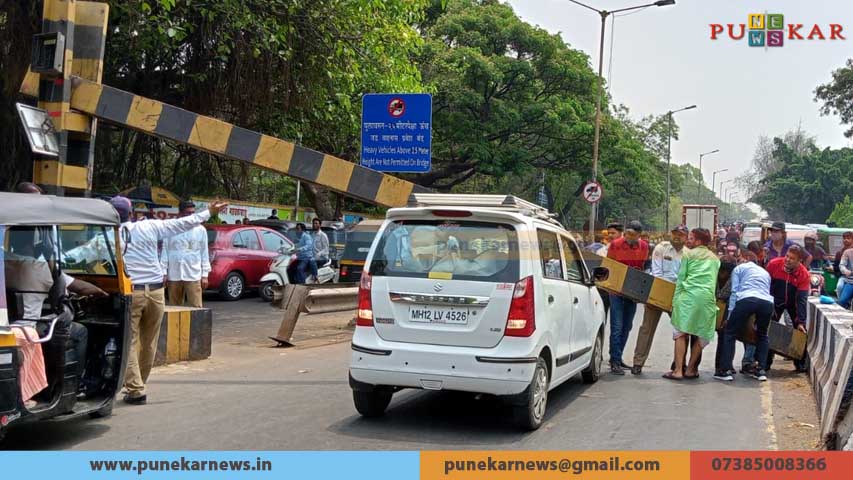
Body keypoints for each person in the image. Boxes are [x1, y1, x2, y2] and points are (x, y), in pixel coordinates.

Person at [109, 196, 227, 405]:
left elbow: (82, 254)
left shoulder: (110, 236)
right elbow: (181, 224)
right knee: (149, 342)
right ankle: (138, 385)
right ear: (132, 213)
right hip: (156, 293)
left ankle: (136, 389)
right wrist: (208, 211)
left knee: (129, 341)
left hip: (132, 294)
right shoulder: (149, 227)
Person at [4, 227, 109, 397]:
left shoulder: (3, 262)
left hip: (7, 325)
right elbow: (79, 287)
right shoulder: (38, 267)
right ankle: (74, 386)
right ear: (36, 243)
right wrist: (103, 293)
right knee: (80, 331)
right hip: (28, 327)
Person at [631, 224, 688, 375]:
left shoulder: (688, 254)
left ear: (686, 237)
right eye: (675, 233)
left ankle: (679, 364)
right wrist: (660, 293)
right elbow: (656, 272)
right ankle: (638, 363)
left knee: (682, 330)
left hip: (677, 295)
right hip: (658, 289)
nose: (677, 236)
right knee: (646, 328)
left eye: (681, 234)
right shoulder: (661, 248)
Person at [664, 228, 720, 381]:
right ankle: (690, 370)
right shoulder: (715, 259)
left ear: (698, 241)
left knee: (680, 334)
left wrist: (675, 302)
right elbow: (713, 282)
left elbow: (681, 279)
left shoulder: (688, 254)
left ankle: (677, 371)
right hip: (707, 299)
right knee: (701, 335)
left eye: (691, 238)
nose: (688, 240)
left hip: (688, 298)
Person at [715, 251, 775, 382]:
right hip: (767, 303)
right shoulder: (765, 272)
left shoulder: (739, 268)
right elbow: (765, 291)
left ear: (747, 259)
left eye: (740, 258)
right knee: (762, 335)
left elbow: (734, 292)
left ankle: (725, 370)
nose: (738, 260)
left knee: (729, 333)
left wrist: (730, 316)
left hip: (747, 299)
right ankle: (760, 370)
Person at [606, 220, 649, 375]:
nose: (629, 236)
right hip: (616, 290)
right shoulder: (616, 244)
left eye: (633, 234)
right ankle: (615, 361)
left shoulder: (644, 246)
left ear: (639, 235)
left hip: (632, 291)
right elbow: (609, 265)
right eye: (628, 233)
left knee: (627, 326)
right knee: (616, 327)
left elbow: (643, 268)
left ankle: (618, 357)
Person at [764, 245, 810, 372]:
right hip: (774, 300)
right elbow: (765, 285)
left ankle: (800, 362)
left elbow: (801, 300)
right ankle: (765, 361)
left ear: (799, 261)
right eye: (787, 256)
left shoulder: (803, 274)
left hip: (792, 302)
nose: (788, 260)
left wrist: (801, 322)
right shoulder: (774, 264)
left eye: (792, 258)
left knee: (800, 330)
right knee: (768, 328)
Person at [160, 200, 211, 308]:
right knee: (174, 307)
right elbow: (165, 250)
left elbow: (204, 252)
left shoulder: (200, 230)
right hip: (174, 273)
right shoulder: (171, 228)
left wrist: (205, 275)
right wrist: (163, 272)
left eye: (193, 213)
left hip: (193, 274)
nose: (191, 216)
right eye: (188, 213)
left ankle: (197, 325)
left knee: (196, 307)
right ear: (180, 213)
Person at [712, 256, 737, 377]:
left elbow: (732, 295)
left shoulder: (734, 278)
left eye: (725, 271)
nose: (723, 274)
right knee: (725, 337)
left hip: (727, 308)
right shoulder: (714, 275)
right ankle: (722, 365)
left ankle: (723, 365)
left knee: (725, 337)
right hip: (714, 306)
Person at [835, 241, 853, 309]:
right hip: (850, 281)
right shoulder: (847, 252)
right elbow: (841, 265)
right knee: (842, 301)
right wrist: (846, 271)